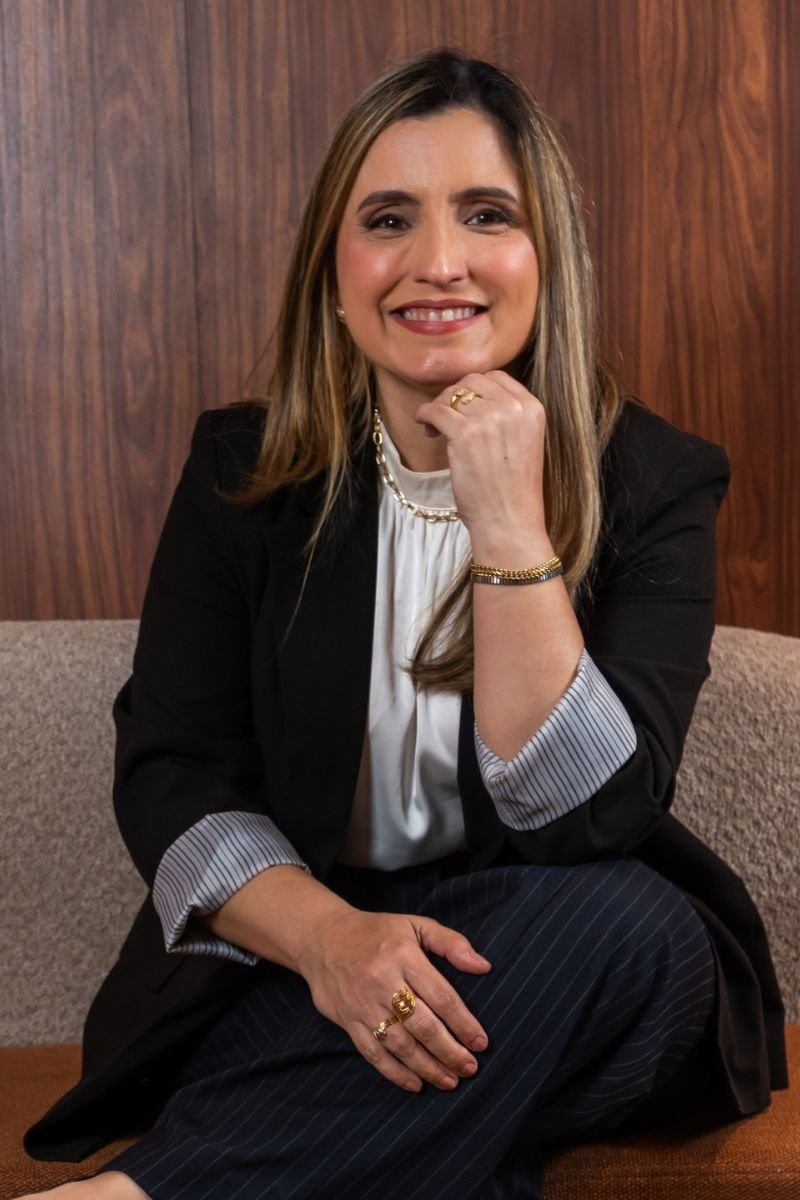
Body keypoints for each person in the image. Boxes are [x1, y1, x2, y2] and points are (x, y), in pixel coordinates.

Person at [22, 48, 785, 1200]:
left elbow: (591, 819)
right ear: (333, 277)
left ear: (544, 260)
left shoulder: (654, 479)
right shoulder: (240, 471)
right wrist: (333, 942)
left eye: (485, 215)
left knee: (630, 924)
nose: (437, 261)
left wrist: (507, 523)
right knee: (423, 1091)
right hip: (305, 970)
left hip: (560, 957)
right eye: (387, 219)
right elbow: (174, 773)